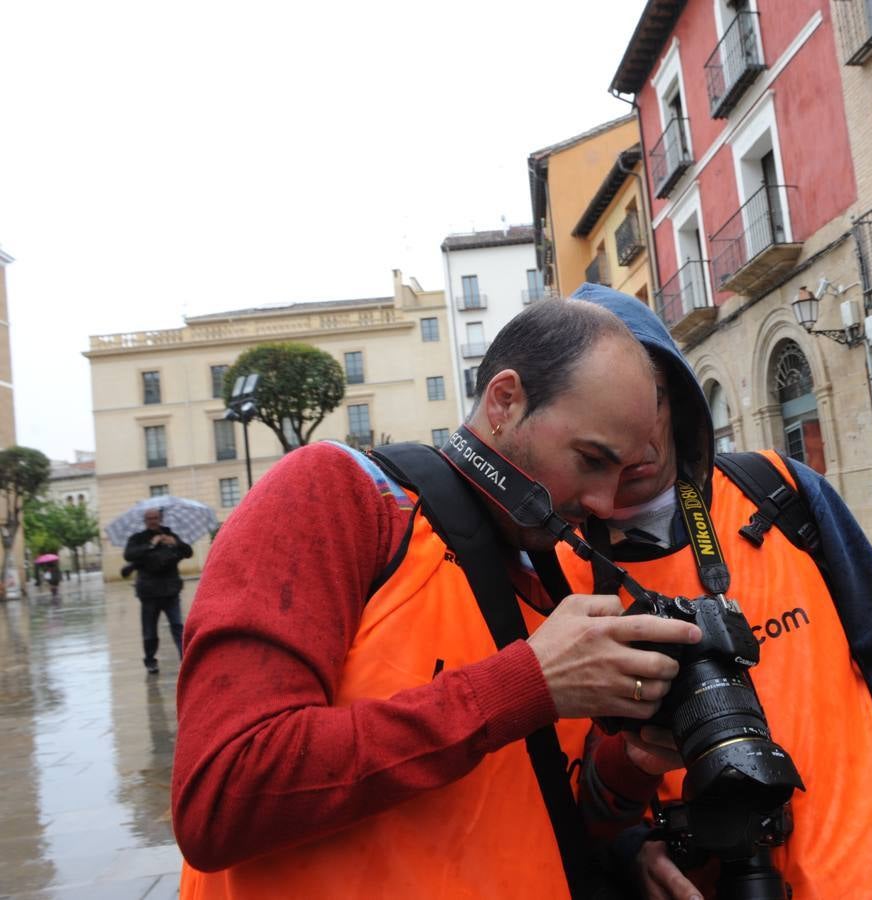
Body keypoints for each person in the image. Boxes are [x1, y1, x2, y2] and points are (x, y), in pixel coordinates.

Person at [171, 300, 703, 899]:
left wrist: (633, 762)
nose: (605, 504)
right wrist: (526, 684)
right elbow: (218, 796)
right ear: (505, 402)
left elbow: (552, 813)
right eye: (591, 460)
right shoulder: (336, 494)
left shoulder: (556, 570)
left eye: (624, 471)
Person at [555, 285, 872, 900]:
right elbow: (565, 787)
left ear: (678, 398)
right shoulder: (555, 568)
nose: (636, 438)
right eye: (603, 424)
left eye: (652, 400)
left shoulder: (781, 493)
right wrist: (628, 852)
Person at [123, 508, 193, 674]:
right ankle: (150, 661)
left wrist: (175, 543)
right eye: (149, 518)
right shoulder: (138, 538)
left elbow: (188, 552)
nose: (153, 521)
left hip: (171, 590)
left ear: (160, 518)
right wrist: (150, 545)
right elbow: (129, 555)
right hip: (149, 592)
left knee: (178, 626)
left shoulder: (170, 535)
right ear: (145, 520)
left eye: (155, 518)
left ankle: (185, 659)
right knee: (150, 630)